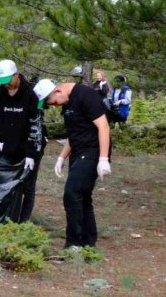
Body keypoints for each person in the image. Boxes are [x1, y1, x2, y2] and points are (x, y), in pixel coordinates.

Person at [34, 78, 112, 249]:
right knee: (83, 197)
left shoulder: (86, 96)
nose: (53, 106)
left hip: (93, 151)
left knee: (72, 194)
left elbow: (104, 127)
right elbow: (74, 133)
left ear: (58, 91)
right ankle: (88, 242)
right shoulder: (66, 103)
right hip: (77, 152)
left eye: (51, 102)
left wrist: (103, 158)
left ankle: (73, 243)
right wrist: (61, 157)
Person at [0, 60, 46, 223]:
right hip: (6, 147)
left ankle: (23, 221)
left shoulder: (31, 95)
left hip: (29, 147)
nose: (6, 86)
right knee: (7, 183)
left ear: (17, 75)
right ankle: (7, 218)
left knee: (28, 185)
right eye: (2, 82)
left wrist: (31, 153)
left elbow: (36, 125)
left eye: (8, 81)